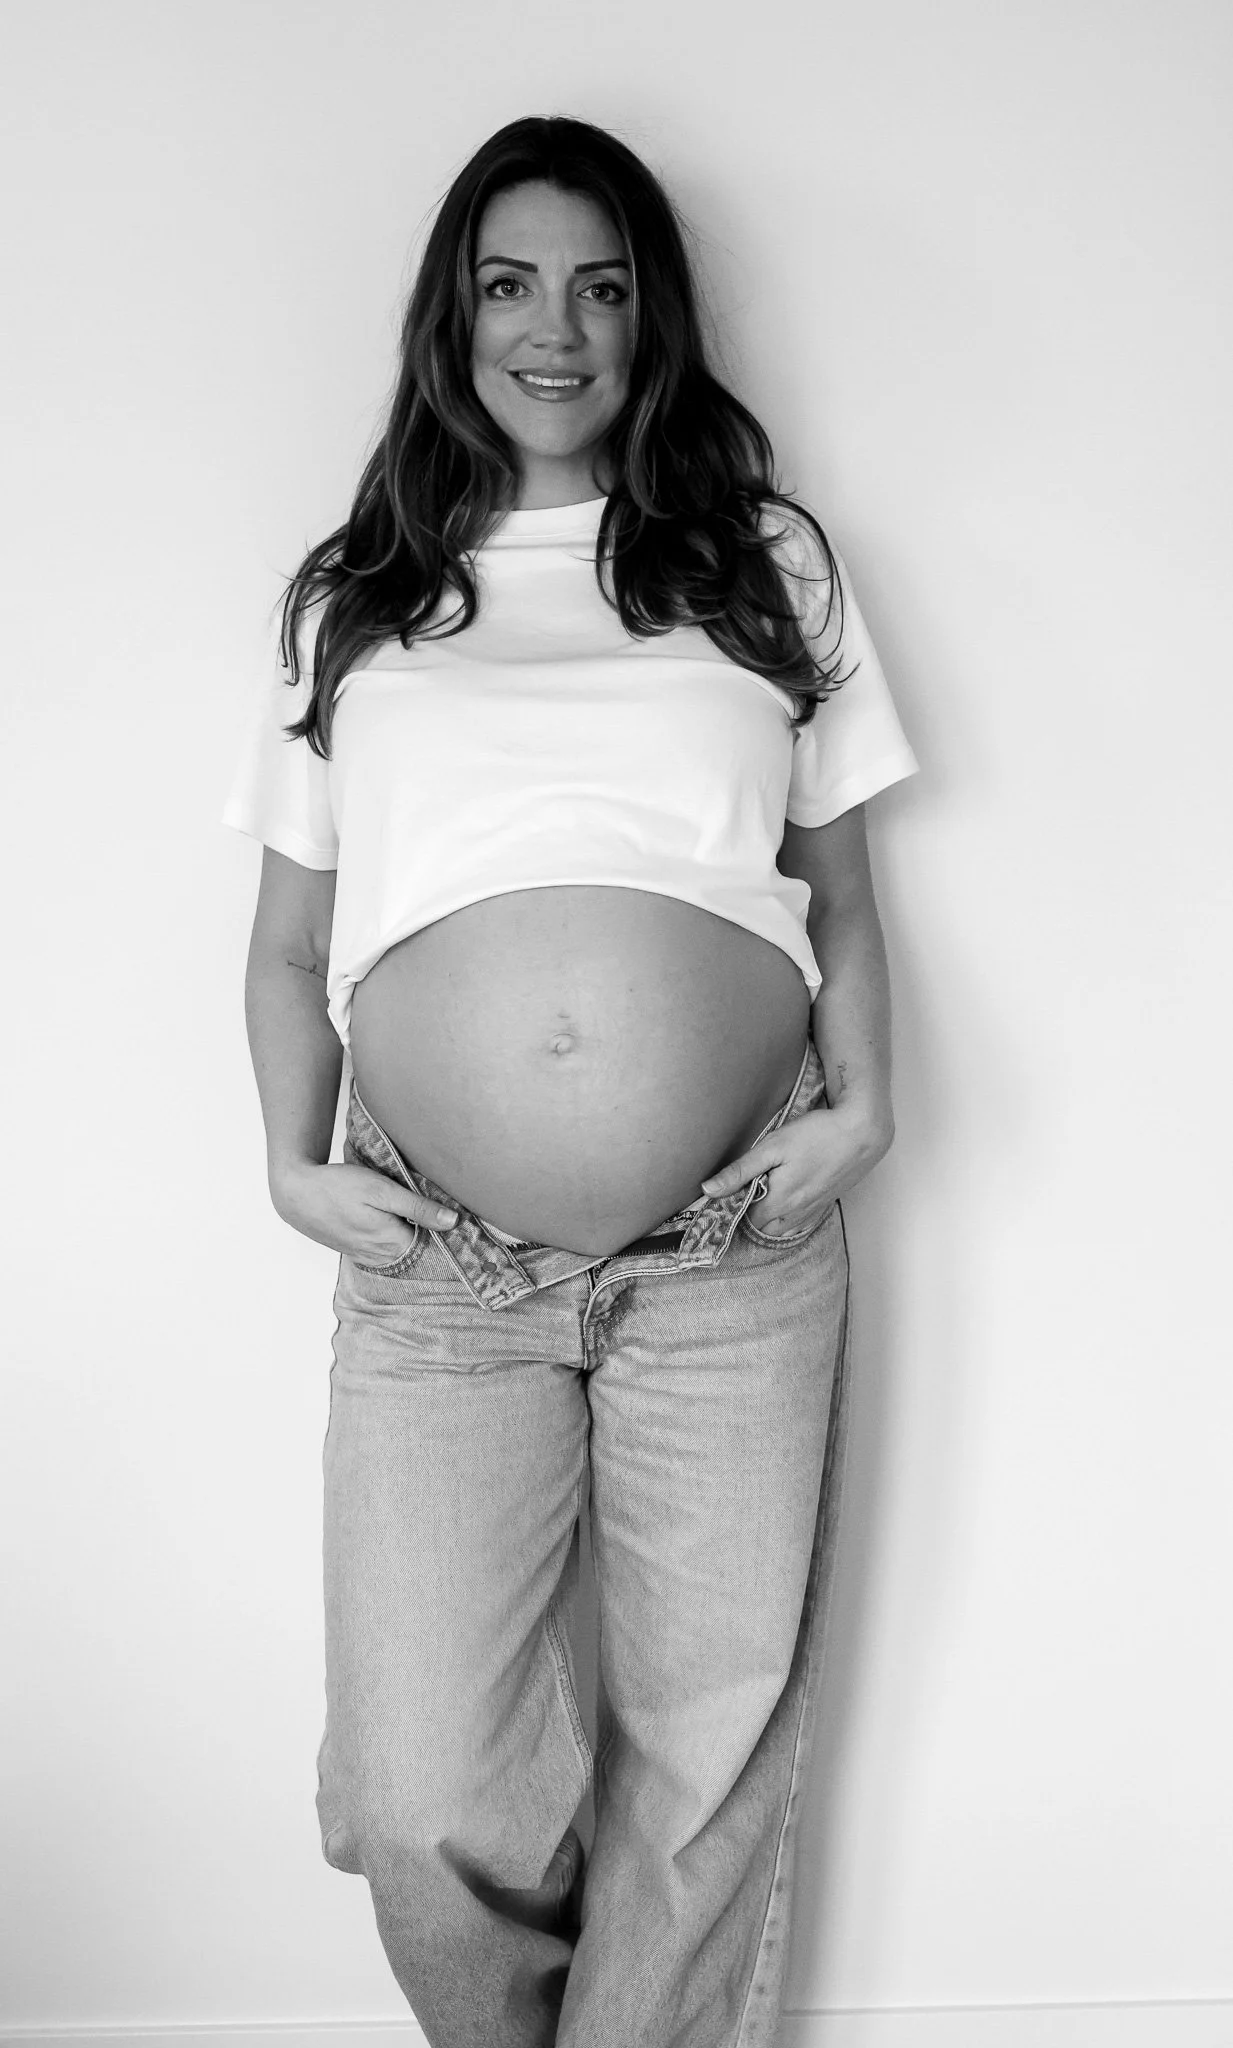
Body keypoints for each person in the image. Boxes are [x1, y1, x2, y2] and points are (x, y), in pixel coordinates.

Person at [223, 113, 918, 2048]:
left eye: (601, 287)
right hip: (438, 1263)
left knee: (703, 1769)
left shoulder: (759, 563)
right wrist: (291, 1168)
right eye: (511, 284)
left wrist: (863, 1109)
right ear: (453, 314)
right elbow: (290, 945)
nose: (557, 330)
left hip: (736, 1236)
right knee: (417, 1792)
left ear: (651, 321)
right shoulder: (358, 595)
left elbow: (844, 896)